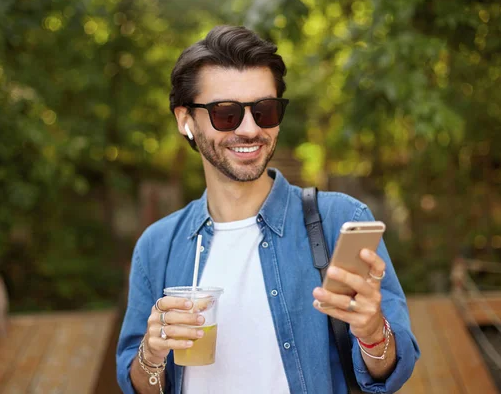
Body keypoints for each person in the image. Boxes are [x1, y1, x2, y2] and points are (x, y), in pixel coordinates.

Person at [116, 25, 420, 394]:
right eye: (225, 113)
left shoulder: (342, 220)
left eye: (264, 110)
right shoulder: (158, 245)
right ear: (185, 120)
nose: (249, 129)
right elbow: (137, 385)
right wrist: (150, 354)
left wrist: (374, 334)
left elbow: (392, 371)